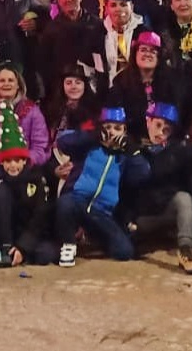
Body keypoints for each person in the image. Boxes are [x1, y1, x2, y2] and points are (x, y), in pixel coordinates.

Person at [126, 103, 192, 272]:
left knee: (184, 198)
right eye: (158, 125)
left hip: (167, 214)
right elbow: (124, 189)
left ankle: (185, 252)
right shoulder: (132, 147)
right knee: (124, 249)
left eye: (166, 129)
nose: (161, 132)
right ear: (148, 121)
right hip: (141, 218)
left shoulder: (179, 151)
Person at [54, 107, 149, 265]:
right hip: (78, 200)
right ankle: (68, 244)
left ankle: (93, 237)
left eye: (117, 129)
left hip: (101, 211)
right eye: (107, 128)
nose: (112, 132)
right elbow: (63, 142)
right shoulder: (89, 145)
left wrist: (133, 151)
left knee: (124, 252)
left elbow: (142, 175)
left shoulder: (124, 157)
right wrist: (92, 136)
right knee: (65, 203)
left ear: (124, 132)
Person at [0, 115, 59, 267]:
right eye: (8, 161)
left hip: (26, 234)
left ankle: (18, 253)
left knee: (45, 254)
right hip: (1, 235)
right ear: (1, 162)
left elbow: (40, 218)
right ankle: (5, 249)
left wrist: (23, 246)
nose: (13, 165)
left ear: (25, 161)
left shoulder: (36, 179)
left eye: (17, 160)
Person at [107, 31, 190, 140]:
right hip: (132, 141)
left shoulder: (173, 81)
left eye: (153, 51)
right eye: (143, 50)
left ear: (159, 57)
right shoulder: (121, 82)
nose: (147, 54)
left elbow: (180, 117)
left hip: (166, 140)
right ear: (135, 54)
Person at [0, 65, 52, 173]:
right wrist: (1, 165)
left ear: (18, 85)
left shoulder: (33, 110)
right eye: (2, 81)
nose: (6, 84)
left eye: (11, 80)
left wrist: (23, 164)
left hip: (27, 171)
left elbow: (41, 146)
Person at [34, 0, 106, 100]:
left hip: (92, 89)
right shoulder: (50, 30)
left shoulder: (97, 25)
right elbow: (44, 64)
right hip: (61, 92)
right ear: (58, 0)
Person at [100, 0, 145, 92]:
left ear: (132, 7)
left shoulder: (143, 32)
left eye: (123, 4)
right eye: (113, 5)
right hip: (108, 91)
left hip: (137, 90)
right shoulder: (98, 32)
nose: (118, 9)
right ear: (106, 8)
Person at [42, 62, 101, 141]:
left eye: (78, 82)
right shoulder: (52, 110)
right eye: (69, 83)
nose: (74, 87)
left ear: (85, 86)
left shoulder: (94, 112)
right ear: (62, 86)